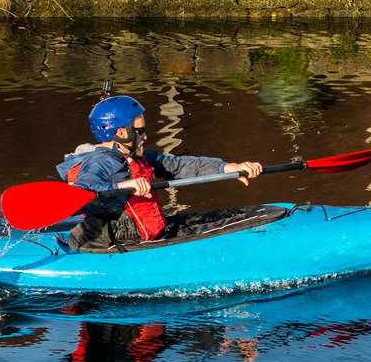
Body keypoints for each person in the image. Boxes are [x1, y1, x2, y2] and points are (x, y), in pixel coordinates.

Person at [57, 95, 278, 251]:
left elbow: (177, 165)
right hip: (116, 241)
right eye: (140, 131)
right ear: (122, 132)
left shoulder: (134, 155)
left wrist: (227, 168)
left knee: (229, 216)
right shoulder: (102, 162)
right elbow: (81, 192)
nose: (145, 136)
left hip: (147, 232)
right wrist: (123, 186)